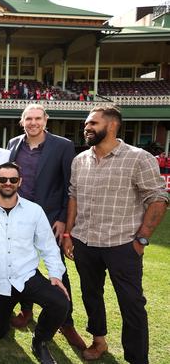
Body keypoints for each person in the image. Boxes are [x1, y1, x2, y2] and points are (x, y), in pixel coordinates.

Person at [62, 105, 169, 363]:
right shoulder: (80, 160)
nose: (86, 127)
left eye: (92, 123)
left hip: (122, 244)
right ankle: (98, 341)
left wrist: (142, 239)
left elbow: (158, 198)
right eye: (86, 124)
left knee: (131, 304)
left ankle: (136, 358)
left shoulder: (138, 158)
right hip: (85, 242)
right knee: (91, 295)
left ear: (112, 125)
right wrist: (68, 233)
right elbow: (73, 197)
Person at [0, 162, 70, 364]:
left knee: (60, 302)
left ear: (20, 182)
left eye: (13, 179)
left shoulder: (34, 211)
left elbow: (48, 246)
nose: (8, 183)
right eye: (2, 179)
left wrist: (55, 275)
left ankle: (40, 341)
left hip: (26, 276)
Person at [6, 104, 83, 350]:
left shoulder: (62, 145)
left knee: (58, 269)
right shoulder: (14, 144)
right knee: (20, 266)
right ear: (22, 121)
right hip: (18, 218)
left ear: (46, 120)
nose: (33, 123)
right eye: (28, 118)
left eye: (38, 118)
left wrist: (62, 218)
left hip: (50, 220)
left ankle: (66, 321)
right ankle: (26, 309)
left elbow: (70, 186)